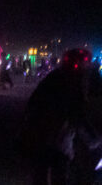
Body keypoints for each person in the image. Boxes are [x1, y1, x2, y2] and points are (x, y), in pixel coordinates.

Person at [21, 48, 101, 184]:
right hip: (56, 139)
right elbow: (76, 114)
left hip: (38, 136)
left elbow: (32, 104)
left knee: (40, 175)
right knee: (58, 174)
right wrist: (92, 139)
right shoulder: (72, 83)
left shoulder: (53, 78)